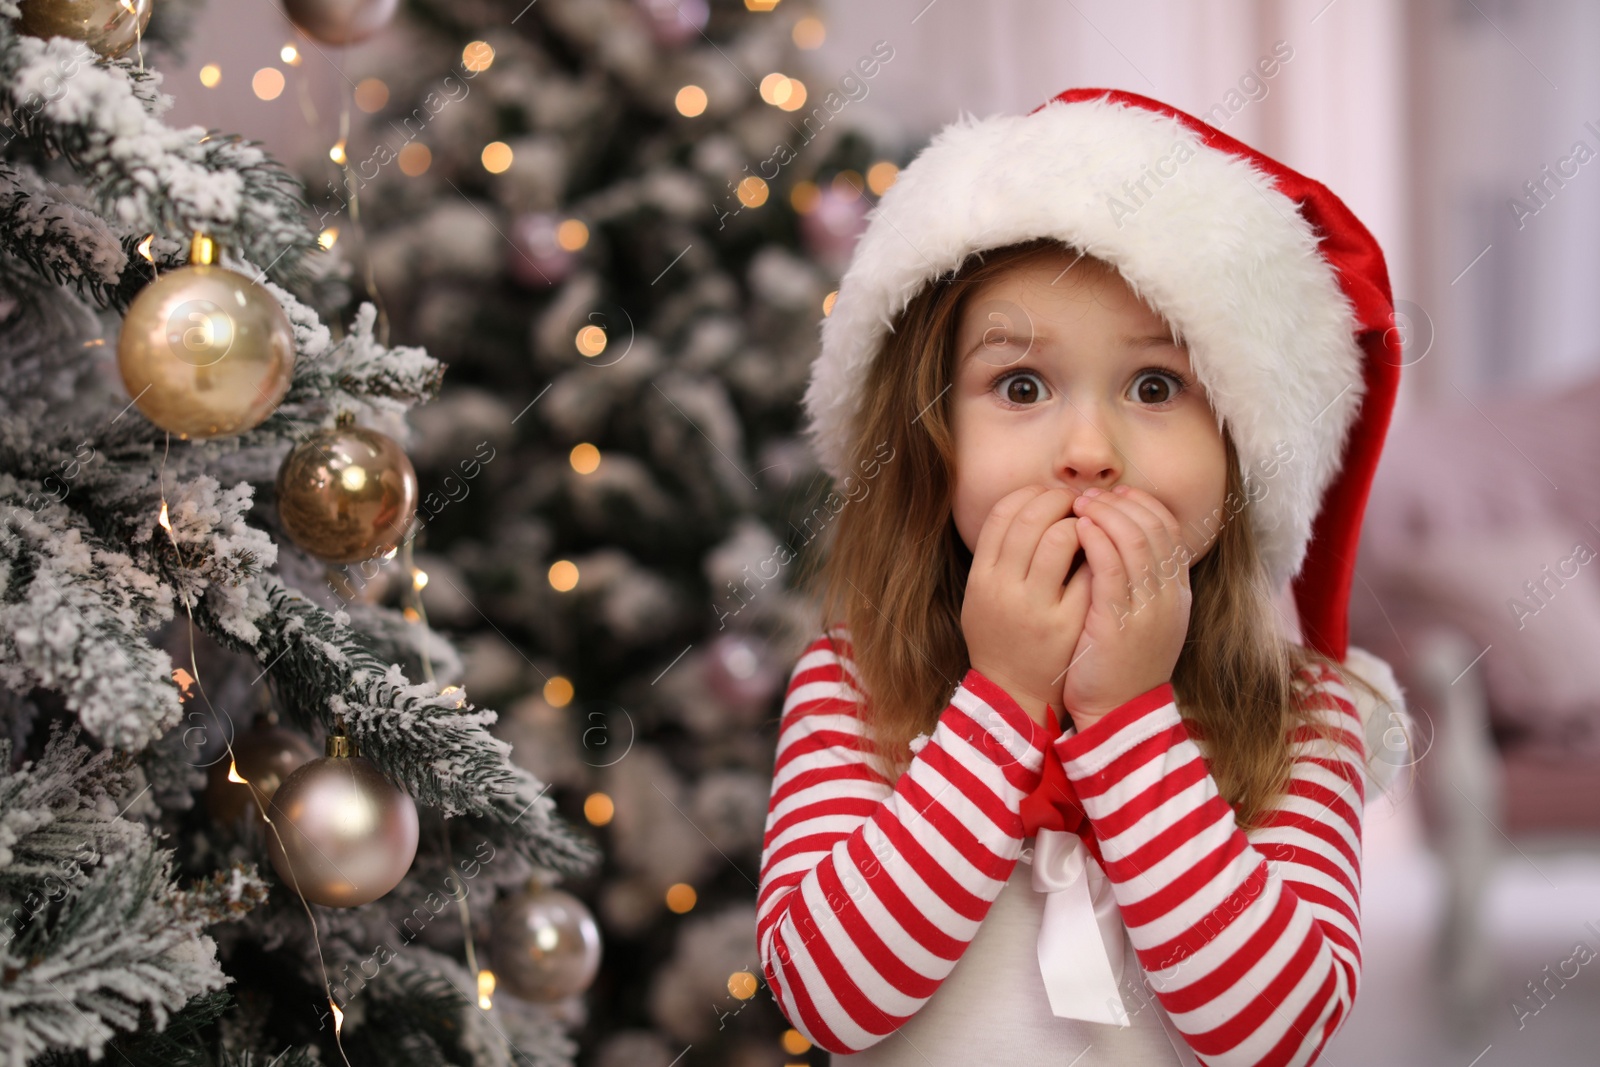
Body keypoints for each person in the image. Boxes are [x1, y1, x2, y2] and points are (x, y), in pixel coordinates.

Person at [755, 88, 1417, 1065]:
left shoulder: (1310, 713)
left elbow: (1275, 1030)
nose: (1087, 448)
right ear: (933, 439)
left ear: (1242, 449)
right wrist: (1003, 698)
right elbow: (828, 998)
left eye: (1154, 386)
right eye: (1020, 385)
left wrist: (1126, 716)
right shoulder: (853, 688)